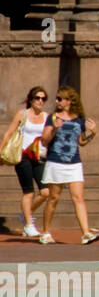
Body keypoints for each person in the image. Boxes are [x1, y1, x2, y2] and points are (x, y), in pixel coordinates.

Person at [38, 86, 99, 244]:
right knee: (53, 198)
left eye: (60, 98)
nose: (57, 101)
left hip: (74, 163)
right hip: (56, 161)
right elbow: (44, 140)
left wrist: (92, 133)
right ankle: (45, 232)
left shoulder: (79, 118)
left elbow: (81, 142)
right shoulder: (52, 117)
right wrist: (54, 129)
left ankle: (86, 233)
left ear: (70, 100)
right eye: (57, 98)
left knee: (78, 198)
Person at [4, 86, 50, 239]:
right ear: (31, 99)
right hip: (23, 155)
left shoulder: (46, 116)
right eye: (37, 98)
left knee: (45, 192)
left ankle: (26, 215)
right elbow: (9, 132)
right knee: (28, 191)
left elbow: (48, 137)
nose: (40, 101)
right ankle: (29, 225)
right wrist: (1, 150)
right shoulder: (22, 114)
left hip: (39, 156)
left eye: (43, 98)